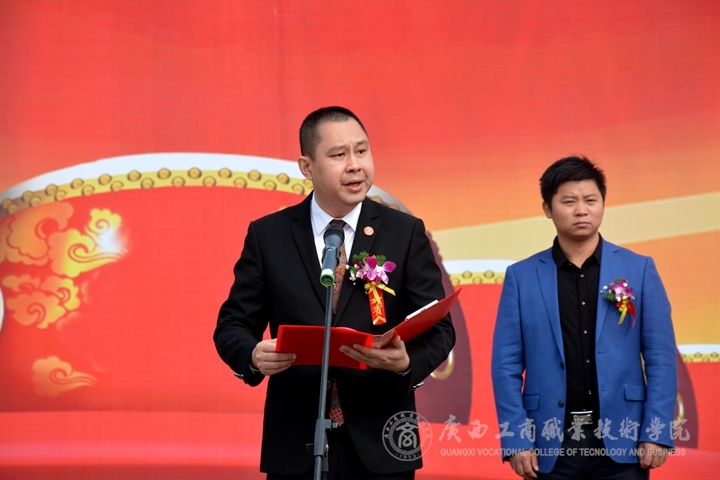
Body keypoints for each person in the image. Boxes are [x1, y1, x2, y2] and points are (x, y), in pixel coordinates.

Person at [214, 106, 455, 479]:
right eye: (339, 155)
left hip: (383, 442)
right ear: (307, 167)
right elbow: (232, 325)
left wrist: (406, 363)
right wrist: (252, 355)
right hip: (296, 442)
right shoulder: (269, 235)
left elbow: (439, 328)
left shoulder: (404, 232)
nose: (355, 165)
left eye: (362, 151)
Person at [491, 156, 677, 479]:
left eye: (590, 200)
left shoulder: (639, 269)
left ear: (603, 203)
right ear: (547, 208)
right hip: (549, 444)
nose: (581, 210)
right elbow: (505, 366)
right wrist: (516, 439)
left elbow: (661, 357)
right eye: (569, 201)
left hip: (624, 442)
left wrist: (656, 431)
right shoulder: (521, 277)